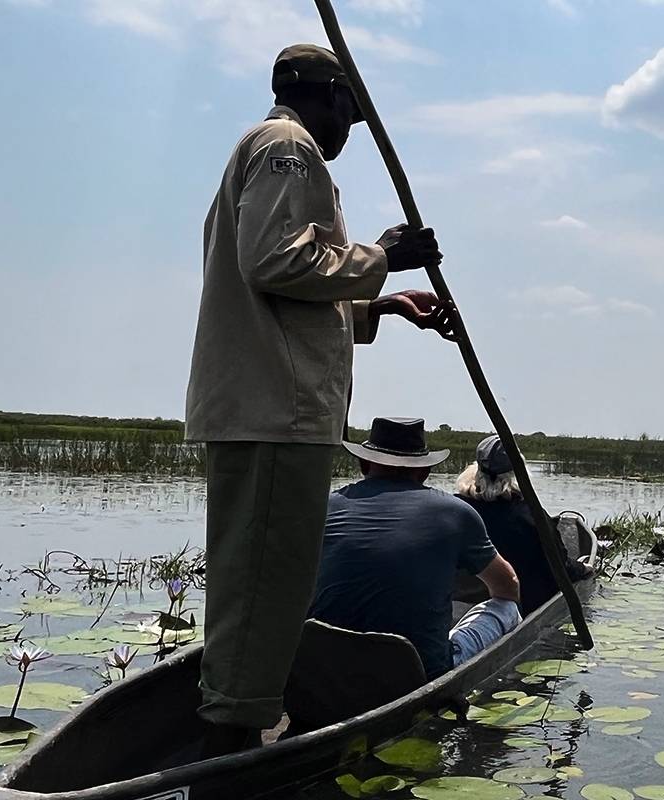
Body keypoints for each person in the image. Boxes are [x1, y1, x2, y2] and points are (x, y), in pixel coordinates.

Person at [184, 44, 456, 755]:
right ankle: (236, 735)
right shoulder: (289, 146)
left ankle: (243, 710)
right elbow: (275, 262)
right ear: (328, 97)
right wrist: (380, 257)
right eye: (349, 111)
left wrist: (386, 304)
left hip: (272, 403)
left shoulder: (280, 150)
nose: (349, 129)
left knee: (265, 577)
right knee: (267, 584)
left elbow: (293, 293)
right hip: (277, 406)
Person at [309, 418, 523, 680]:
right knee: (507, 608)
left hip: (324, 664)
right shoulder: (455, 513)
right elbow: (507, 586)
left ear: (363, 465)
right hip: (419, 672)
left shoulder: (325, 507)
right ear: (424, 472)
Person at [456, 435, 593, 614]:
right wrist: (583, 569)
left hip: (465, 599)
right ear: (517, 473)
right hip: (519, 607)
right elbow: (561, 570)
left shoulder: (457, 509)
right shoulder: (532, 516)